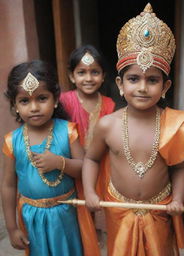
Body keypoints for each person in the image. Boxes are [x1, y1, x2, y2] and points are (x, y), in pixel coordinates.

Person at [83, 4, 184, 256]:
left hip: (160, 210)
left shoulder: (173, 123)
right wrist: (91, 192)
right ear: (119, 83)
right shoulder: (108, 124)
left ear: (165, 86)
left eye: (152, 80)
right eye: (133, 79)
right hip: (119, 209)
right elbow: (92, 159)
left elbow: (179, 167)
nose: (142, 88)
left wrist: (178, 200)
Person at [1, 60, 84, 256]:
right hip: (32, 217)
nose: (34, 107)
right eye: (24, 101)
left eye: (42, 98)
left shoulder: (68, 131)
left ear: (55, 99)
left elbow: (84, 168)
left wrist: (59, 162)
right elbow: (8, 185)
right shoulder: (12, 141)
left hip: (66, 214)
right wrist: (12, 228)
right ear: (14, 105)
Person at [60, 44, 115, 254]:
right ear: (72, 76)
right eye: (81, 72)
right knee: (77, 207)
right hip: (73, 164)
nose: (88, 78)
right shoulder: (64, 101)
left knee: (97, 201)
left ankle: (96, 235)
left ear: (103, 76)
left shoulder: (109, 103)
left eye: (95, 72)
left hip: (100, 164)